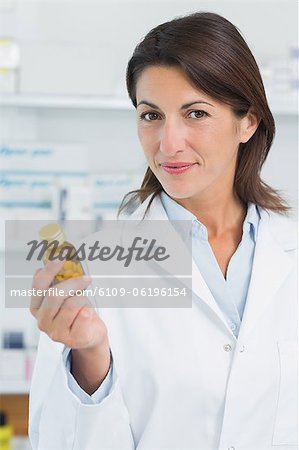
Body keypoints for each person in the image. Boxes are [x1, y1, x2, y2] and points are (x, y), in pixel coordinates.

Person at [29, 12, 297, 450]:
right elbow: (58, 440)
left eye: (195, 113)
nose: (168, 143)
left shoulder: (289, 251)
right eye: (151, 115)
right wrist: (91, 356)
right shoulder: (92, 269)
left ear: (247, 121)